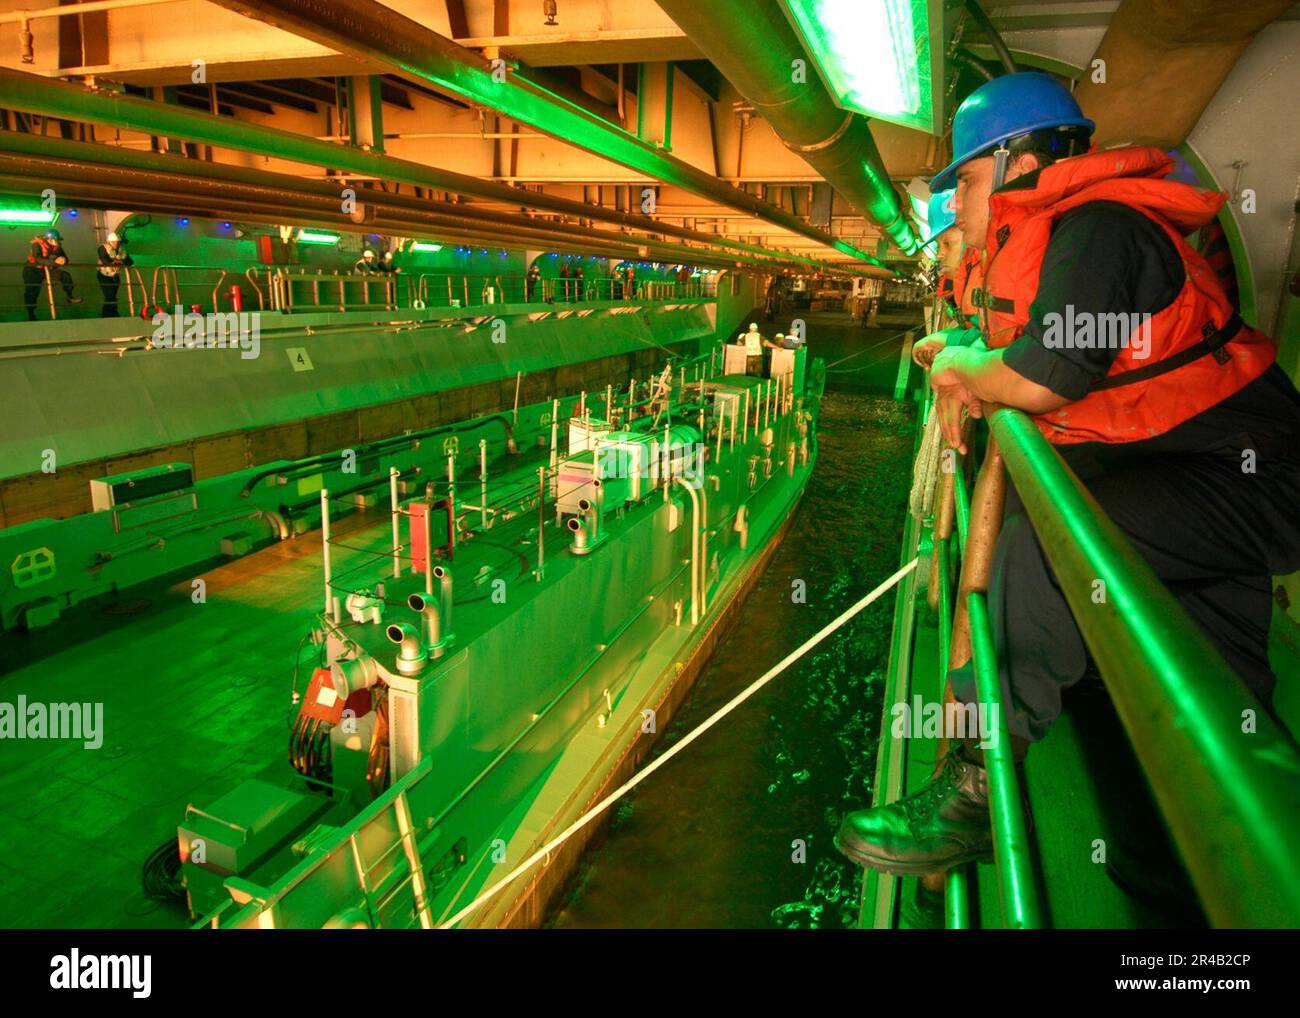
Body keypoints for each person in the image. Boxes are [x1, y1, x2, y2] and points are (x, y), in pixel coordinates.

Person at [837, 71, 1300, 878]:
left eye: (969, 179)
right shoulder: (1061, 236)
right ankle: (1189, 876)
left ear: (1020, 164)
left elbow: (1043, 377)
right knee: (1218, 701)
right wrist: (969, 363)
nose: (963, 204)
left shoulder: (1098, 228)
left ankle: (975, 790)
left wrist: (962, 362)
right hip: (1194, 473)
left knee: (1050, 546)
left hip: (1245, 477)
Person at [23, 228, 82, 320]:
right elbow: (38, 260)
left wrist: (64, 260)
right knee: (32, 291)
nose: (58, 242)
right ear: (49, 239)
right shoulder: (37, 244)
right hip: (32, 270)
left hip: (47, 269)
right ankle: (31, 313)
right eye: (56, 240)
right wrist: (55, 262)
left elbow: (65, 259)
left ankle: (70, 296)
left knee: (65, 275)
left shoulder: (57, 247)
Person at [95, 231, 133, 317]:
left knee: (112, 296)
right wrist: (116, 262)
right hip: (103, 275)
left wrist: (121, 261)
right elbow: (105, 260)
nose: (116, 244)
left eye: (117, 242)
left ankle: (109, 313)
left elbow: (130, 261)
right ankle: (110, 314)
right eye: (114, 242)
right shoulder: (102, 248)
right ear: (109, 242)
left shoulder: (121, 250)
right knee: (110, 296)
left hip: (115, 276)